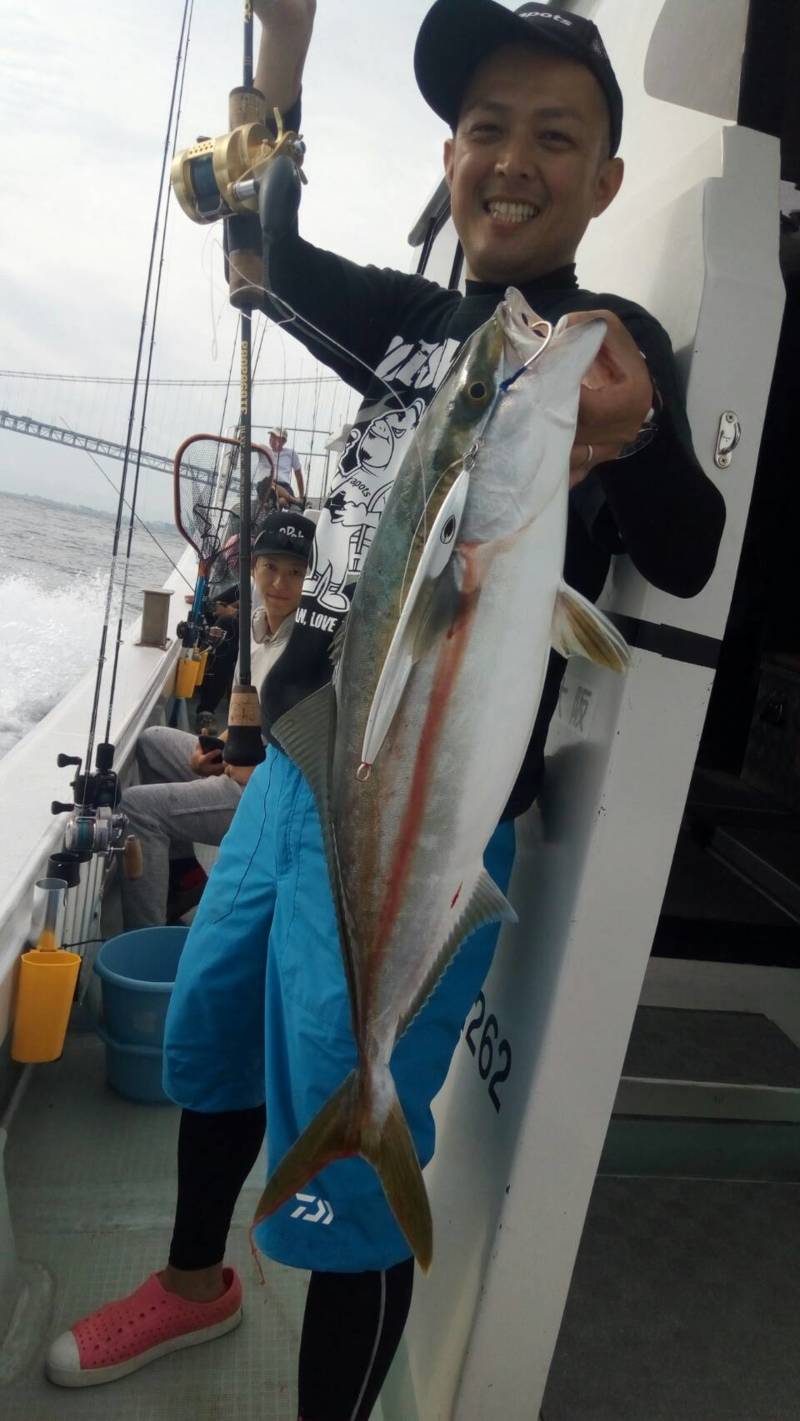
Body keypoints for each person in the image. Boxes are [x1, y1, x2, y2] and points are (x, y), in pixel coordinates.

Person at [46, 2, 726, 1415]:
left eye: (557, 135)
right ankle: (191, 1284)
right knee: (214, 1032)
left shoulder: (601, 347)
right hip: (303, 771)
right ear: (451, 154)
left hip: (429, 812)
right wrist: (282, 60)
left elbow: (686, 543)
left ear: (605, 180)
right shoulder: (421, 325)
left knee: (355, 1159)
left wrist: (638, 431)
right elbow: (263, 260)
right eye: (487, 128)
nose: (513, 158)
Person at [117, 511, 315, 931]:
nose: (280, 583)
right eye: (271, 567)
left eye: (296, 572)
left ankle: (148, 939)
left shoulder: (309, 647)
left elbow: (307, 749)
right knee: (151, 740)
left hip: (264, 794)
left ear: (312, 579)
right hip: (241, 763)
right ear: (254, 568)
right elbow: (251, 710)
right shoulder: (257, 626)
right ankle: (184, 876)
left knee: (137, 808)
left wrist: (246, 768)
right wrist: (217, 745)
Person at [268, 426, 306, 507]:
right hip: (269, 485)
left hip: (285, 487)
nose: (271, 439)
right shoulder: (266, 452)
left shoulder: (291, 453)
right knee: (271, 486)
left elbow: (298, 475)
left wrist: (301, 496)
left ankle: (287, 502)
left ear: (283, 441)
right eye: (271, 436)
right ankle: (295, 501)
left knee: (281, 500)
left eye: (275, 437)